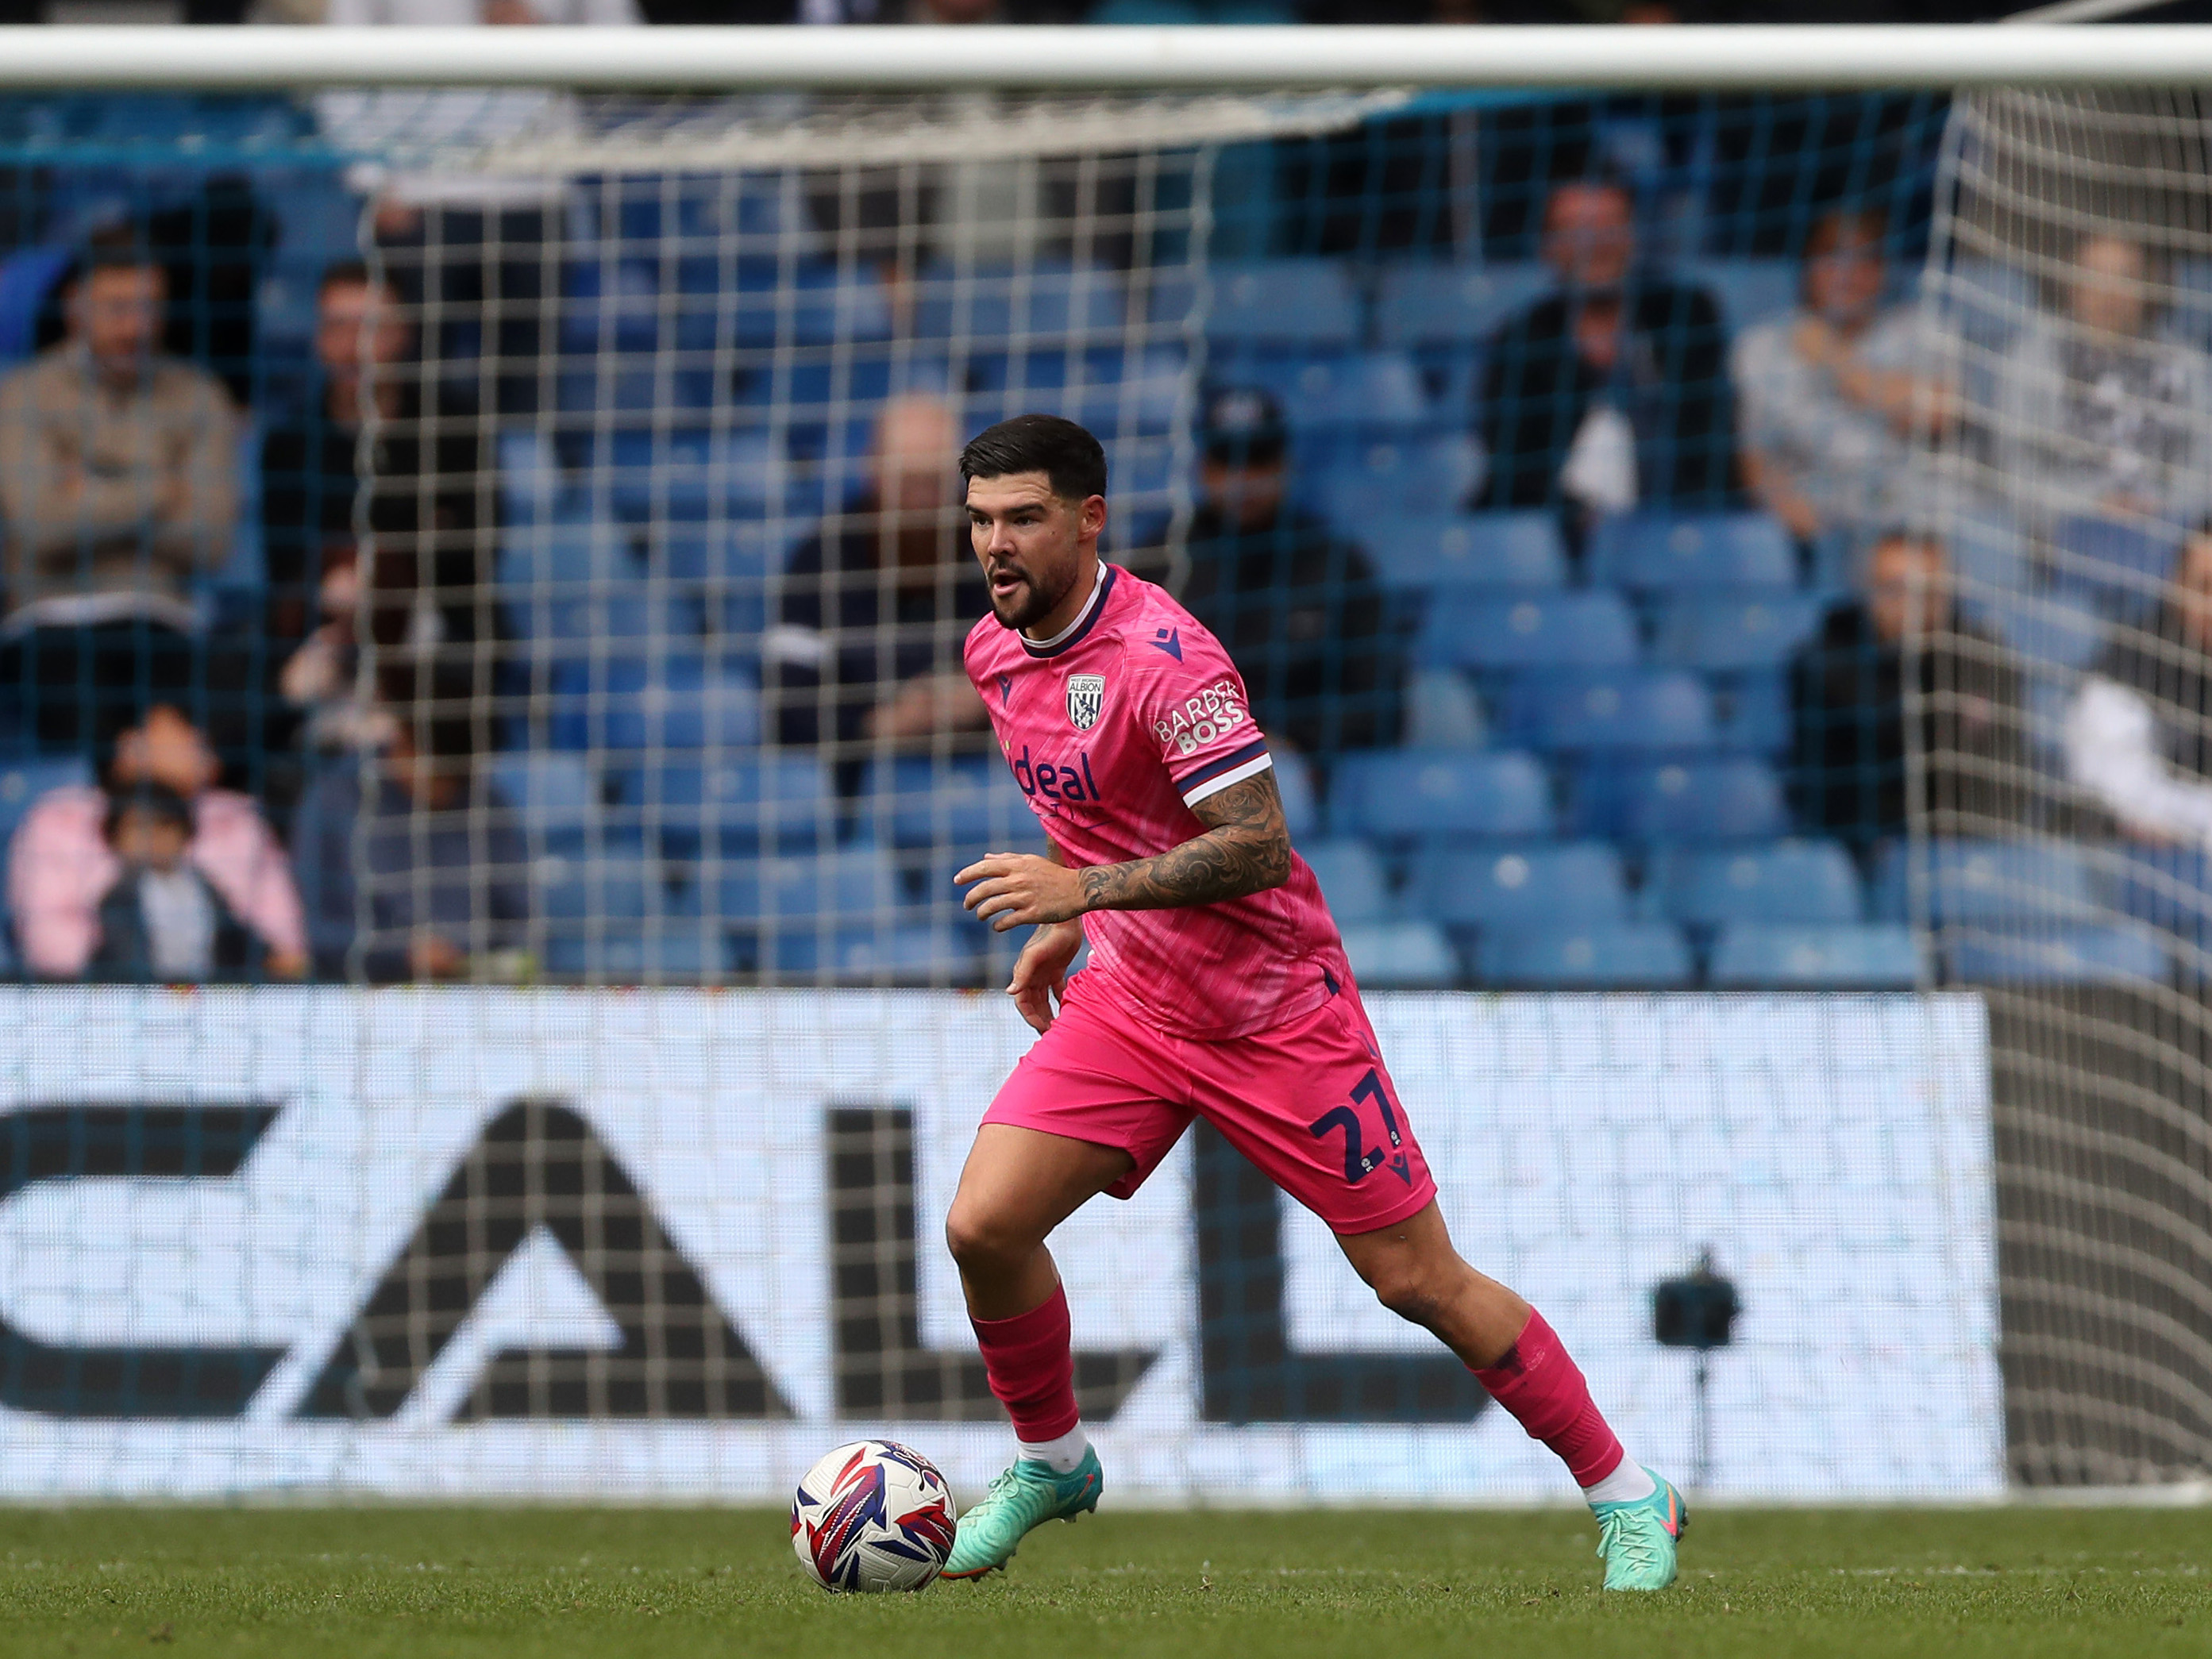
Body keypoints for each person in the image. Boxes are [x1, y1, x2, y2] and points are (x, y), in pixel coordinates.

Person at [942, 414, 1684, 1592]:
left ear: (1088, 520)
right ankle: (1052, 1460)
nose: (996, 544)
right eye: (980, 519)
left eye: (1022, 517)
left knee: (1416, 1282)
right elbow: (1096, 812)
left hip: (1272, 1010)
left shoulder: (1169, 664)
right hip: (1133, 1001)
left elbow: (1255, 848)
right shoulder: (993, 650)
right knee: (983, 1224)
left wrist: (1080, 887)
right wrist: (1069, 922)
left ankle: (1626, 1491)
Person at [0, 226, 240, 753]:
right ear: (74, 305)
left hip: (165, 621)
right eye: (116, 308)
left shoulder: (200, 396)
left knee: (192, 747)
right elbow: (44, 527)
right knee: (87, 746)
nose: (135, 327)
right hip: (50, 619)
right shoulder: (22, 393)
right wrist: (161, 485)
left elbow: (209, 543)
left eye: (149, 308)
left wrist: (89, 485)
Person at [260, 260, 486, 758]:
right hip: (324, 627)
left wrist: (383, 570)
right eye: (339, 325)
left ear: (403, 334)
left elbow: (472, 550)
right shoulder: (289, 444)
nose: (356, 344)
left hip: (436, 628)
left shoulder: (454, 430)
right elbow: (287, 560)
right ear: (318, 338)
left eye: (372, 326)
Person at [765, 395, 992, 788]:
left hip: (991, 771)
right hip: (857, 783)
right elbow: (789, 701)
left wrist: (987, 699)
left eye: (934, 481)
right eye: (908, 481)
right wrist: (880, 723)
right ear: (874, 469)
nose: (921, 500)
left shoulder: (997, 551)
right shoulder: (824, 556)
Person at [1478, 175, 1737, 518]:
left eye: (1608, 225)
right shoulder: (1521, 340)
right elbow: (1514, 465)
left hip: (1676, 524)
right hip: (1558, 534)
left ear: (1633, 236)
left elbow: (1710, 443)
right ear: (1547, 246)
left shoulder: (1686, 315)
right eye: (1574, 229)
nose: (1594, 243)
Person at [1179, 386, 1401, 760]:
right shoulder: (1163, 563)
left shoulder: (1336, 564)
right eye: (1228, 461)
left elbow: (1380, 702)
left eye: (1258, 460)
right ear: (1204, 469)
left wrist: (1295, 740)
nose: (1243, 478)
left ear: (1284, 465)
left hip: (1307, 764)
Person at [7, 703, 306, 982]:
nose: (198, 744)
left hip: (227, 1003)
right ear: (129, 745)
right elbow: (48, 943)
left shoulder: (239, 820)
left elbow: (281, 939)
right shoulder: (60, 818)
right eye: (179, 734)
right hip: (110, 1002)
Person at [290, 668, 529, 983]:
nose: (448, 787)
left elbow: (519, 915)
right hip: (363, 997)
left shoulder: (484, 803)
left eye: (461, 775)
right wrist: (402, 954)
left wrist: (470, 957)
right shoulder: (336, 803)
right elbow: (320, 933)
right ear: (404, 738)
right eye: (439, 771)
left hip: (471, 993)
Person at [1732, 208, 1953, 545]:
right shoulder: (1761, 347)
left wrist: (1837, 361)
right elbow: (1755, 459)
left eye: (1865, 260)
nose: (1848, 275)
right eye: (1833, 257)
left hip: (1915, 518)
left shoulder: (1923, 331)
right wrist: (1805, 527)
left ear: (1883, 271)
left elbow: (1938, 415)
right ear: (1807, 264)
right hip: (1814, 524)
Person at [1788, 531, 2022, 845]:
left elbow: (2001, 776)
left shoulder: (1981, 657)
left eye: (1927, 593)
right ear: (1868, 591)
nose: (1911, 608)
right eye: (1894, 590)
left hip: (1966, 844)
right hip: (1862, 848)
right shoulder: (1826, 661)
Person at [1992, 232, 2212, 537]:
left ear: (2150, 287)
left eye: (2125, 277)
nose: (2110, 293)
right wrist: (2089, 507)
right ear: (2070, 283)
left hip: (2167, 536)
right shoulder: (2033, 357)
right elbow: (2016, 468)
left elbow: (2203, 466)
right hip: (2063, 536)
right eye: (2095, 274)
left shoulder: (2188, 364)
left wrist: (2161, 511)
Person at [2065, 523, 2212, 848]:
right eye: (2205, 588)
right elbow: (2119, 789)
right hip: (2141, 867)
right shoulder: (2129, 662)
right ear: (2177, 585)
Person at [88, 783, 281, 983]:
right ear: (115, 838)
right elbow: (122, 956)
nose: (154, 837)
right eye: (140, 826)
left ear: (185, 830)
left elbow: (234, 935)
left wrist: (272, 957)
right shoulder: (119, 896)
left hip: (209, 996)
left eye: (165, 825)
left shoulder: (204, 884)